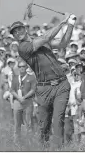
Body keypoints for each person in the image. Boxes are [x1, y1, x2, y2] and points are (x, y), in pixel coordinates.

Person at [10, 14, 77, 149]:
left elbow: (63, 43)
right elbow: (46, 37)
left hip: (61, 85)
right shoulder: (22, 47)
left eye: (19, 29)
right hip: (44, 89)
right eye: (14, 32)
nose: (18, 33)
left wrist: (70, 25)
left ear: (25, 29)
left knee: (58, 120)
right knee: (44, 125)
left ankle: (58, 149)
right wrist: (61, 23)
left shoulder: (40, 40)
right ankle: (43, 149)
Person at [10, 60, 37, 144]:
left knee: (28, 123)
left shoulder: (31, 77)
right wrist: (19, 98)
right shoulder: (15, 78)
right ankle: (16, 142)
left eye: (23, 66)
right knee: (17, 123)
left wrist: (24, 97)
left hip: (28, 101)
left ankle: (29, 142)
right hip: (17, 102)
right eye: (20, 66)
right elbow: (12, 90)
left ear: (26, 67)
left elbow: (33, 90)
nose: (22, 68)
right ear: (18, 68)